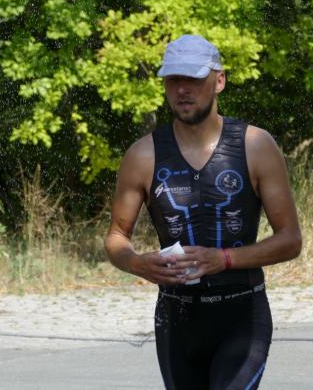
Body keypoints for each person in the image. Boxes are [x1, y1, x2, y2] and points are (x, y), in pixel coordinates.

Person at [104, 34, 302, 390]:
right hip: (176, 321)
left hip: (242, 315)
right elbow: (117, 237)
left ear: (219, 80)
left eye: (193, 79)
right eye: (173, 80)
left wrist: (224, 259)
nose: (182, 90)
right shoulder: (142, 155)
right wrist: (136, 263)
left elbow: (290, 240)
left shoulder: (256, 145)